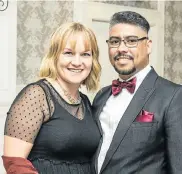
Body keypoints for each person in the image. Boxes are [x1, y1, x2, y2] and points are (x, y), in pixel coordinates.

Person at [2, 22, 101, 174]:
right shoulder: (36, 95)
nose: (77, 62)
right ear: (54, 56)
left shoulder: (85, 102)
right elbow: (15, 163)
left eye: (85, 54)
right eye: (68, 53)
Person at [92, 11, 182, 174]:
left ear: (148, 45)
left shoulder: (173, 96)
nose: (121, 49)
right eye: (114, 41)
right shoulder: (101, 96)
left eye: (131, 41)